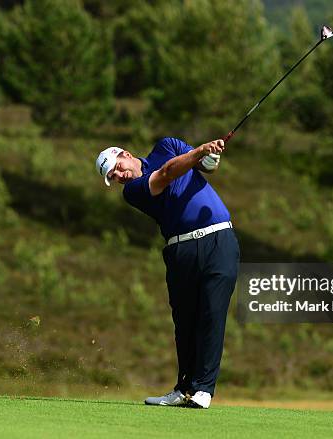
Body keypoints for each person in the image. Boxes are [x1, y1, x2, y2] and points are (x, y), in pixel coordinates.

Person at [95, 137, 240, 409]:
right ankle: (183, 389)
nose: (119, 176)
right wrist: (200, 151)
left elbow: (205, 166)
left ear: (126, 154)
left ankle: (203, 391)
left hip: (219, 240)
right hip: (180, 250)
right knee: (184, 322)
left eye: (117, 168)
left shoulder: (168, 145)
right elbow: (166, 173)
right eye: (113, 177)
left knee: (212, 313)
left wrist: (211, 156)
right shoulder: (133, 191)